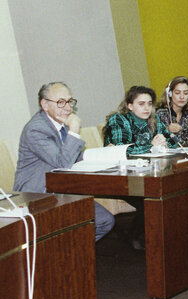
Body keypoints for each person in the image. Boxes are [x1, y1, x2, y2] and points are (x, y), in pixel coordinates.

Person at [14, 82, 114, 241]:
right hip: (37, 196)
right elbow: (63, 162)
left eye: (69, 101)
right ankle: (65, 256)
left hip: (62, 190)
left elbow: (74, 157)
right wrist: (74, 128)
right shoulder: (36, 129)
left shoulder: (60, 123)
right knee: (73, 228)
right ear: (44, 104)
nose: (67, 108)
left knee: (104, 221)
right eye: (61, 102)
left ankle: (72, 256)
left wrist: (103, 154)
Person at [103, 85, 177, 156]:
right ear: (130, 106)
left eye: (149, 104)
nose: (147, 108)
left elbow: (174, 140)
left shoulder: (154, 118)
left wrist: (165, 143)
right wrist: (152, 146)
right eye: (141, 104)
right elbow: (122, 149)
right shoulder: (118, 119)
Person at [156, 76, 188, 145]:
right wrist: (167, 130)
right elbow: (149, 136)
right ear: (170, 94)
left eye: (186, 93)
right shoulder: (159, 113)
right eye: (177, 93)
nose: (182, 97)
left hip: (187, 153)